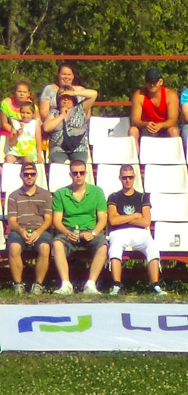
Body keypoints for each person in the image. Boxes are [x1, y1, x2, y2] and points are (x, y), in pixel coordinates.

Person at [105, 165, 165, 296]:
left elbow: (146, 221)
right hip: (118, 232)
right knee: (115, 246)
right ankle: (116, 284)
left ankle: (155, 285)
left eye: (130, 177)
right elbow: (113, 221)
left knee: (152, 246)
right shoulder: (113, 197)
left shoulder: (143, 197)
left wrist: (123, 218)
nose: (127, 180)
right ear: (120, 178)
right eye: (125, 177)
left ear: (134, 178)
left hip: (140, 232)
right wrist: (134, 216)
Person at [50, 160, 108, 295]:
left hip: (90, 231)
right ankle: (65, 284)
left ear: (86, 173)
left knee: (103, 245)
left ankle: (91, 284)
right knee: (57, 243)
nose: (78, 176)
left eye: (81, 172)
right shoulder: (61, 193)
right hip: (68, 231)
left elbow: (103, 219)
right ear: (70, 174)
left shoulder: (97, 192)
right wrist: (66, 232)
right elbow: (57, 220)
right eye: (75, 173)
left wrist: (93, 233)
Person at [5, 160, 53, 292]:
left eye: (32, 174)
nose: (29, 177)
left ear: (37, 175)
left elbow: (48, 220)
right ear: (21, 176)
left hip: (40, 230)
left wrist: (38, 232)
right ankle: (18, 284)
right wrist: (21, 231)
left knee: (44, 247)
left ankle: (38, 285)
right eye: (26, 174)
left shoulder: (45, 195)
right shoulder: (14, 196)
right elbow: (12, 221)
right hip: (19, 230)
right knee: (14, 247)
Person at [42, 84, 97, 163]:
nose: (66, 99)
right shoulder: (54, 112)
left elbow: (94, 94)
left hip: (78, 148)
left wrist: (73, 93)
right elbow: (46, 127)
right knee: (59, 164)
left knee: (78, 164)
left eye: (68, 97)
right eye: (63, 97)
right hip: (58, 149)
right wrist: (62, 116)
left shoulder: (80, 108)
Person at [127, 69, 180, 141]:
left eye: (154, 82)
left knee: (174, 131)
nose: (152, 85)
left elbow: (173, 120)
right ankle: (134, 152)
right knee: (133, 130)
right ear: (145, 83)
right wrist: (146, 124)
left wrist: (161, 125)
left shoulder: (171, 95)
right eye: (149, 82)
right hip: (145, 129)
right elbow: (135, 119)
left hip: (164, 129)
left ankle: (175, 152)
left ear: (161, 82)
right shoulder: (139, 95)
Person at [37, 63, 77, 127]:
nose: (66, 77)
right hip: (53, 126)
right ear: (58, 75)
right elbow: (44, 113)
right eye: (63, 74)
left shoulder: (79, 91)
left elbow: (86, 114)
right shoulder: (49, 89)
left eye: (69, 74)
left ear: (73, 76)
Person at [1, 80, 32, 154]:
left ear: (28, 94)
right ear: (15, 92)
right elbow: (4, 123)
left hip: (27, 134)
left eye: (24, 92)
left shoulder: (32, 106)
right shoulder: (6, 103)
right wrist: (15, 132)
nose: (21, 94)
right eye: (19, 91)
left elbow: (37, 122)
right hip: (7, 133)